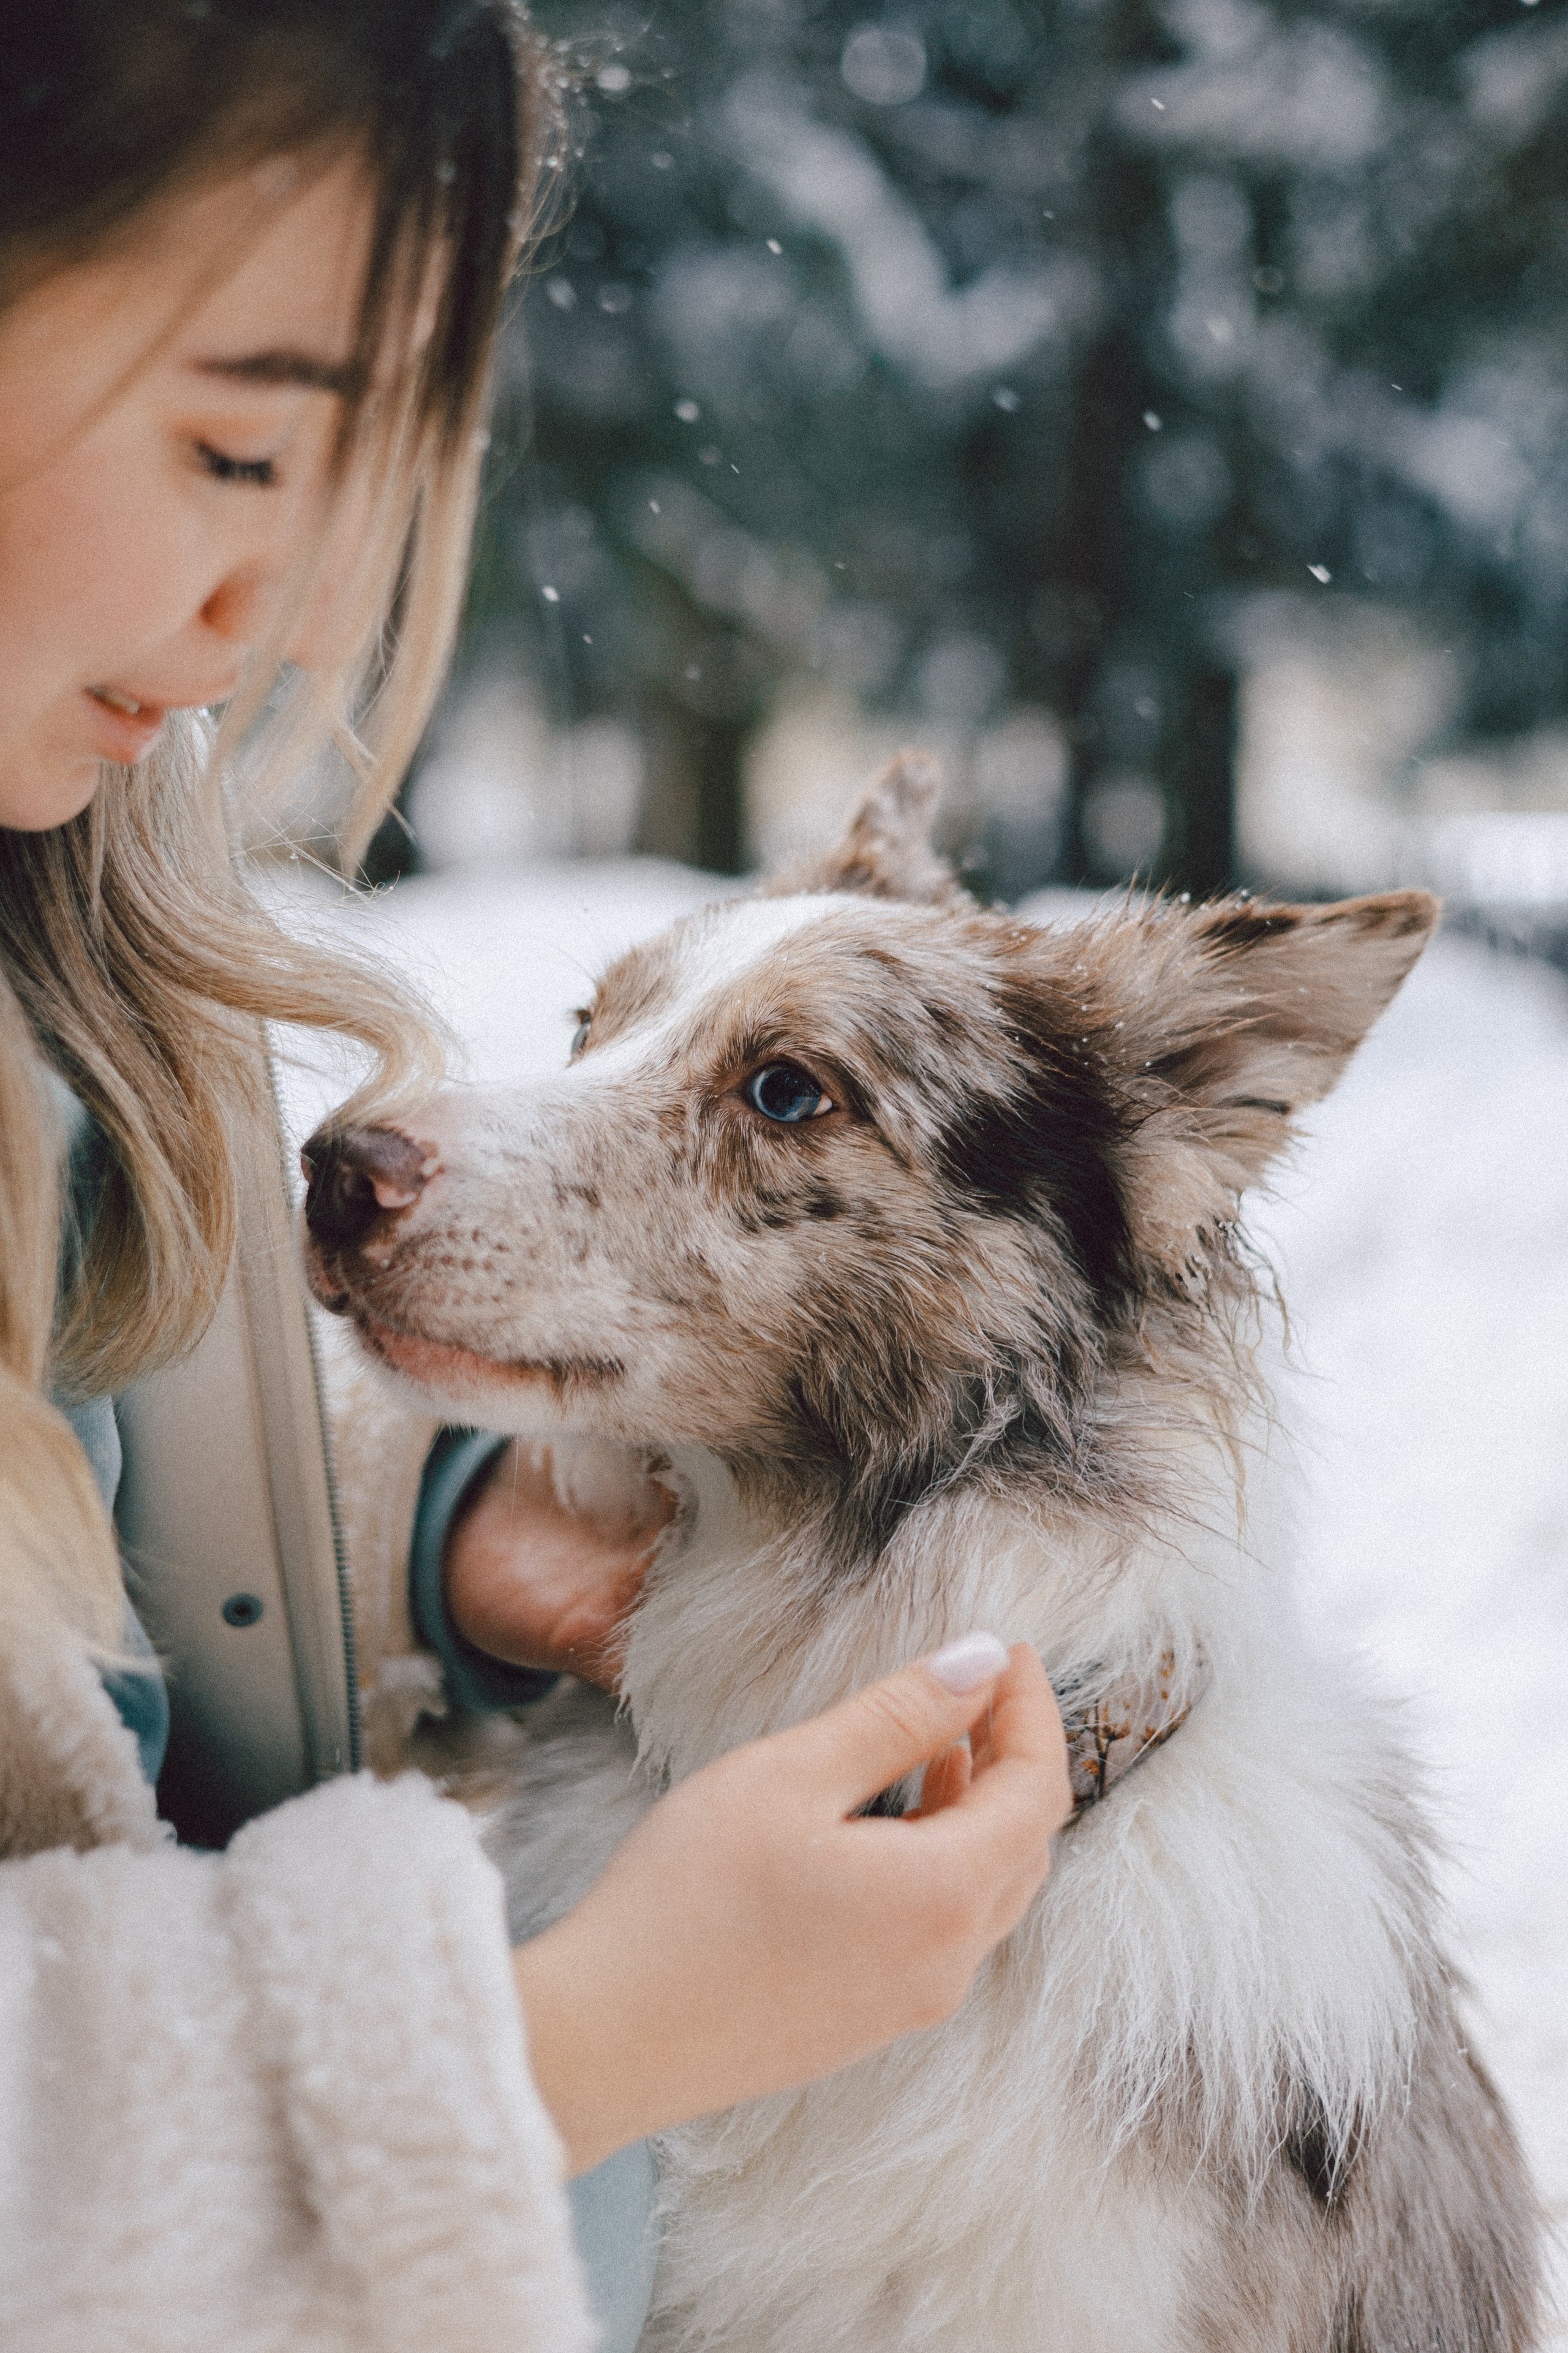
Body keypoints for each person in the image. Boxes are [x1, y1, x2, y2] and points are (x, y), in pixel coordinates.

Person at [0, 6, 1072, 2347]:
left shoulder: (55, 901)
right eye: (233, 443)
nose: (269, 619)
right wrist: (582, 2038)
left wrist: (424, 1544)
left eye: (349, 492)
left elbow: (83, 1494)